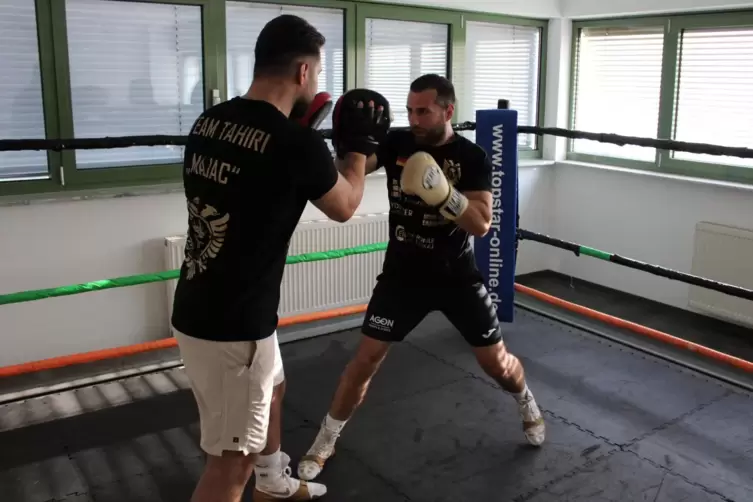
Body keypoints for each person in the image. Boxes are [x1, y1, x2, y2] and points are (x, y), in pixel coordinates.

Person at [170, 14, 389, 502]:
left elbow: (255, 175)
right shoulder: (296, 144)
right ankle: (257, 478)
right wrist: (357, 149)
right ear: (303, 73)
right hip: (233, 326)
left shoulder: (209, 121)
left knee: (274, 387)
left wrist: (305, 139)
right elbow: (345, 205)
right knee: (230, 468)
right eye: (318, 70)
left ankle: (273, 484)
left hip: (204, 301)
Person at [297, 74, 546, 482]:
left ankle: (525, 400)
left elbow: (482, 224)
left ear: (448, 111)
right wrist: (346, 146)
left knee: (495, 363)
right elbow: (351, 176)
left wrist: (444, 194)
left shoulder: (473, 157)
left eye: (423, 111)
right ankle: (325, 439)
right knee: (364, 362)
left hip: (456, 277)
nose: (414, 118)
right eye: (410, 110)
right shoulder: (397, 142)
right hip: (403, 275)